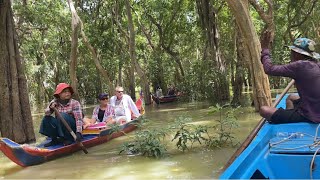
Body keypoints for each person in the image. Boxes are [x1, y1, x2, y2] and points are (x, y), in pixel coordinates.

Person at [260, 32, 320, 124]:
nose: (291, 54)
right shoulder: (316, 64)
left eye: (292, 52)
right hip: (314, 106)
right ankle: (290, 118)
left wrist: (265, 49)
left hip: (312, 115)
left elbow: (269, 69)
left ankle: (293, 120)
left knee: (264, 110)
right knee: (290, 97)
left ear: (297, 54)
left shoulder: (300, 65)